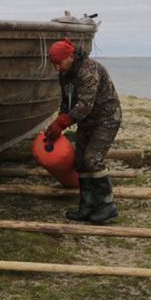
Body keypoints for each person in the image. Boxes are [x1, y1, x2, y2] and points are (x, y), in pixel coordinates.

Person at [42, 38, 122, 223]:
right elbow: (67, 103)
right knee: (80, 162)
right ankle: (86, 205)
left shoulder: (89, 70)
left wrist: (62, 123)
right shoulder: (65, 74)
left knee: (92, 159)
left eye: (59, 63)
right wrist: (56, 126)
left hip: (106, 119)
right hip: (86, 121)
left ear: (70, 56)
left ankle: (106, 205)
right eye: (54, 64)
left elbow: (85, 104)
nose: (57, 68)